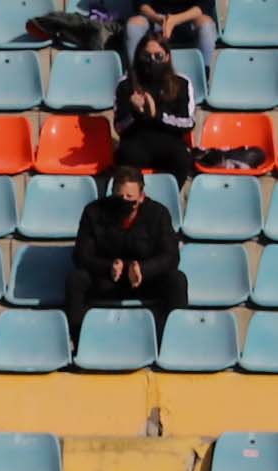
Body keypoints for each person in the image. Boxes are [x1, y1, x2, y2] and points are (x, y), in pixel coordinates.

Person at [66, 164, 187, 342]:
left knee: (176, 280)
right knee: (76, 279)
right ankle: (80, 341)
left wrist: (143, 269)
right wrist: (109, 267)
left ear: (141, 196)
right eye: (119, 196)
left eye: (130, 197)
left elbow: (170, 256)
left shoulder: (158, 213)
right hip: (107, 280)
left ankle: (172, 342)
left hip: (144, 281)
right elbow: (81, 255)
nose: (124, 202)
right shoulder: (94, 212)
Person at [113, 36, 197, 185]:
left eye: (158, 56)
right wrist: (134, 112)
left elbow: (188, 123)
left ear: (167, 57)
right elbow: (119, 127)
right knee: (124, 156)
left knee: (182, 158)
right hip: (136, 142)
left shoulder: (182, 83)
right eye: (146, 56)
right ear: (139, 56)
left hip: (170, 142)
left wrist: (156, 115)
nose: (152, 61)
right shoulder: (125, 84)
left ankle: (169, 197)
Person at [125, 0, 216, 61]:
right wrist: (158, 18)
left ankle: (204, 72)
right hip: (156, 19)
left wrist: (175, 20)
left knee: (206, 25)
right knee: (133, 25)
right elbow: (141, 4)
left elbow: (205, 5)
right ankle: (134, 76)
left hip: (188, 18)